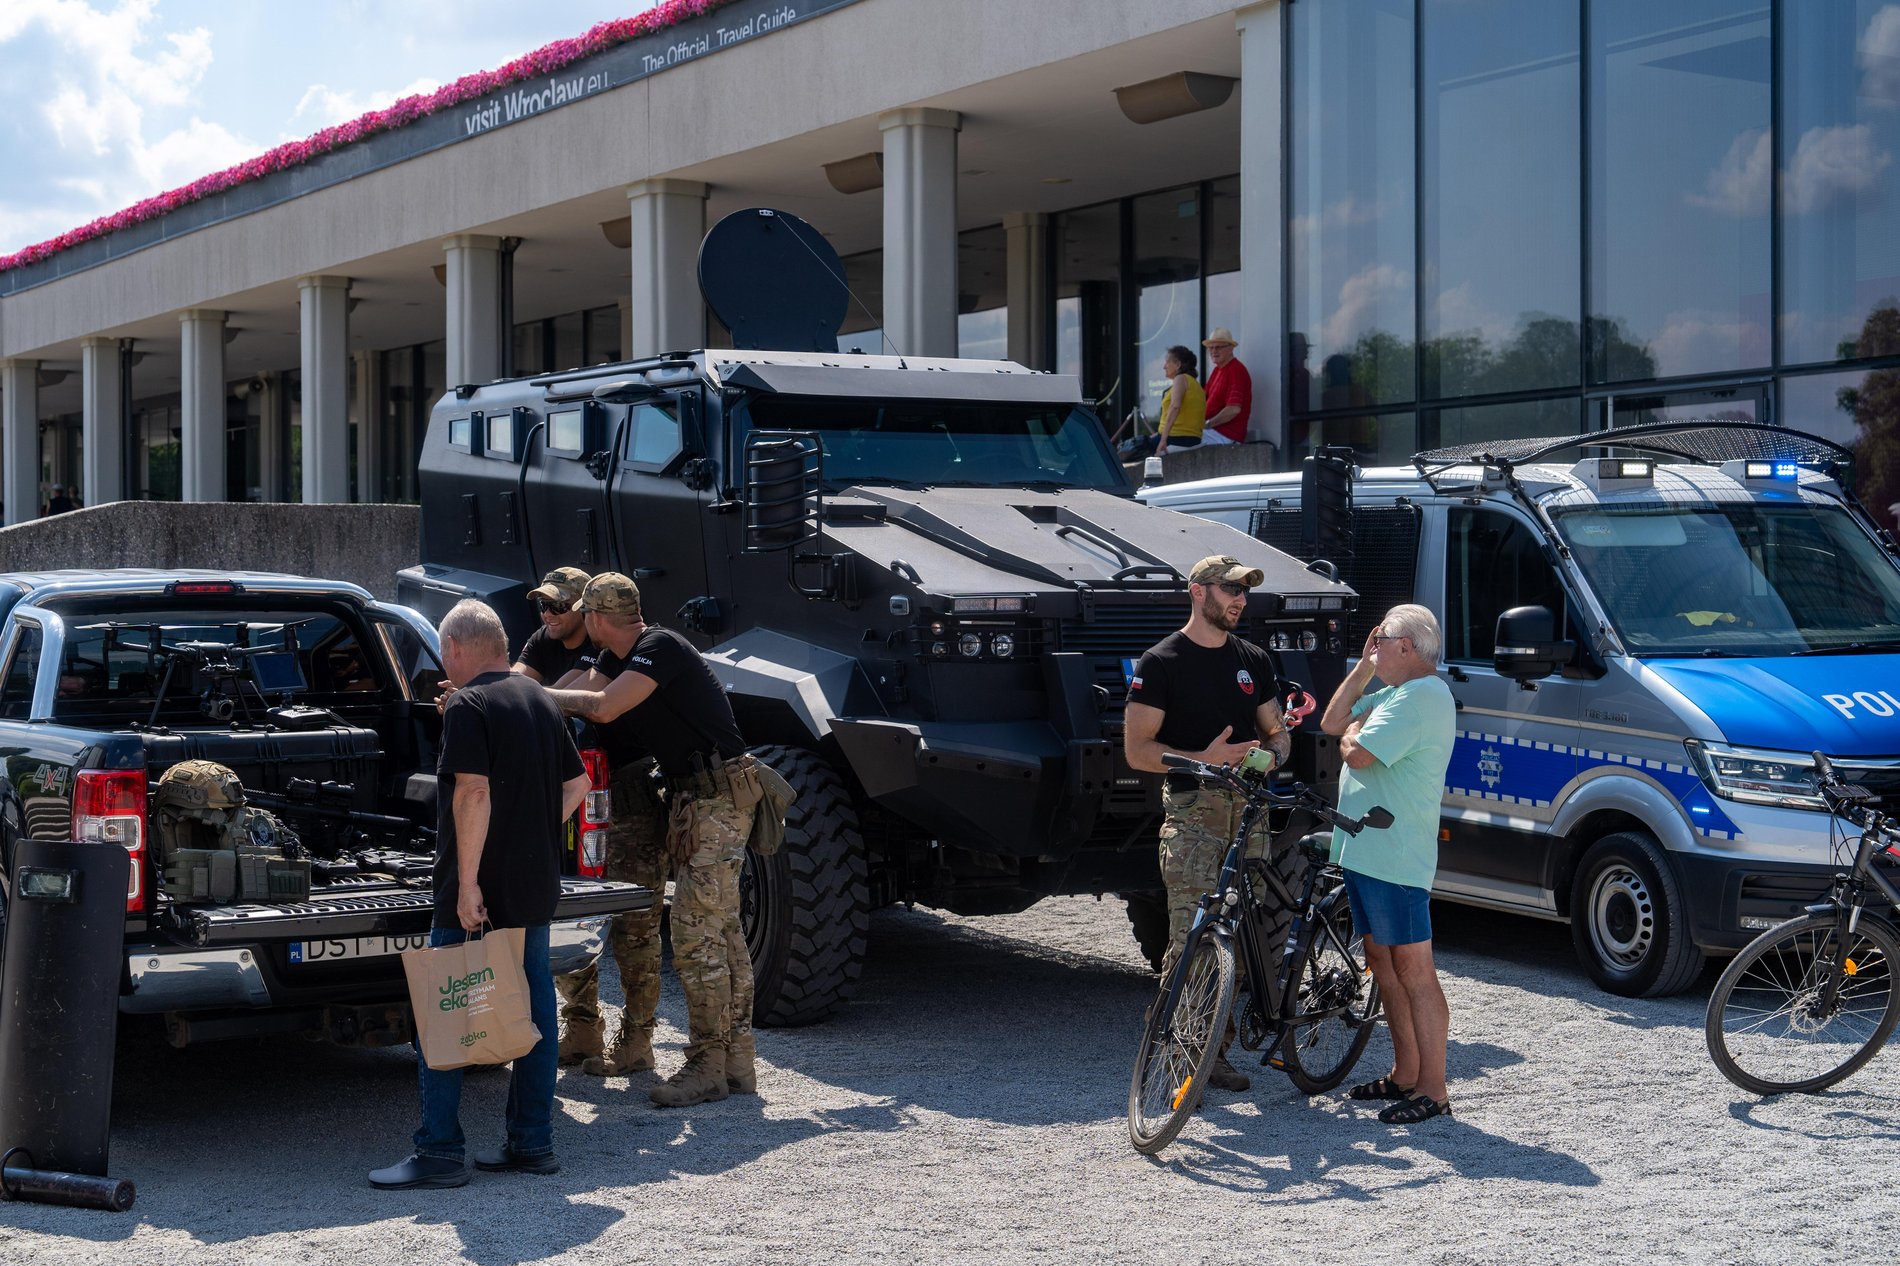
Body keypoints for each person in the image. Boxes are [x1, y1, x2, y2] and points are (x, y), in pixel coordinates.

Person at [370, 599, 590, 1189]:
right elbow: (578, 784)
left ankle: (439, 1152)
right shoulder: (540, 698)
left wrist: (468, 884)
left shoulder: (468, 705)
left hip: (479, 888)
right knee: (535, 1008)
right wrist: (532, 831)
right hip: (535, 882)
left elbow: (472, 793)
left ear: (455, 649)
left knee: (446, 1009)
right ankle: (532, 1143)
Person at [545, 573, 762, 1108]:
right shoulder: (617, 654)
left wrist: (524, 692)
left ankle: (708, 1066)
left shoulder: (659, 647)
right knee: (723, 932)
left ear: (596, 618)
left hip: (718, 797)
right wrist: (513, 691)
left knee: (695, 934)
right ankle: (736, 1062)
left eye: (585, 614)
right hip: (696, 799)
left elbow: (602, 707)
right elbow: (580, 691)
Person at [1122, 555, 1291, 1093]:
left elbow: (1277, 731)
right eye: (1230, 589)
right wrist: (1205, 759)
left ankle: (1212, 1050)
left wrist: (1272, 755)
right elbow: (1137, 751)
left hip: (1249, 817)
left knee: (1236, 939)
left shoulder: (1253, 659)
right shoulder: (1161, 662)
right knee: (1192, 938)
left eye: (1245, 591)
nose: (1240, 599)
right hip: (1194, 818)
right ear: (1198, 592)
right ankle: (1180, 1054)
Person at [1319, 604, 1457, 1125]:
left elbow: (1356, 752)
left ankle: (1434, 1089)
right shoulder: (1397, 691)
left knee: (1413, 968)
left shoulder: (1422, 694)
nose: (1374, 644)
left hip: (1395, 854)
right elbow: (1332, 722)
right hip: (1369, 849)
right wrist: (1362, 668)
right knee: (1382, 960)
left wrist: (1354, 735)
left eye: (1381, 638)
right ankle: (1406, 1074)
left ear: (1407, 646)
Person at [1153, 345, 1206, 458]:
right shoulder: (1197, 386)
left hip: (1176, 438)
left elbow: (1175, 407)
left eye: (1167, 362)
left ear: (1178, 365)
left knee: (1130, 450)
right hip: (1193, 438)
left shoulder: (1181, 378)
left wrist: (1163, 440)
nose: (1164, 366)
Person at [1201, 328, 1252, 446]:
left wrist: (1207, 424)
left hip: (1225, 435)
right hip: (1212, 432)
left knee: (1172, 443)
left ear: (1231, 348)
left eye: (1218, 347)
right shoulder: (1217, 370)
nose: (1214, 351)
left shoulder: (1236, 370)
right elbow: (1202, 398)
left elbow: (1233, 409)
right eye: (1211, 348)